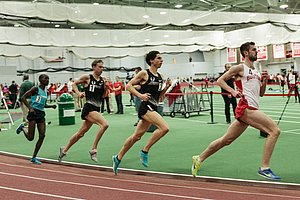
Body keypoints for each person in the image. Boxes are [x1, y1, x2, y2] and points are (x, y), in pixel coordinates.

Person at [191, 42, 281, 181]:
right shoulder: (240, 67)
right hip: (246, 107)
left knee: (226, 140)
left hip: (252, 107)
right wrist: (232, 91)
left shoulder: (256, 71)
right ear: (246, 53)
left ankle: (199, 158)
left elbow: (261, 93)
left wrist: (264, 81)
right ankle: (264, 168)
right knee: (274, 131)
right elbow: (220, 81)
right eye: (254, 50)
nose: (256, 52)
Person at [112, 50, 171, 175]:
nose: (161, 60)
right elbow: (128, 86)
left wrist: (166, 87)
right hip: (146, 107)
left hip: (153, 107)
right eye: (159, 58)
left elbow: (160, 98)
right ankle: (145, 151)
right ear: (151, 60)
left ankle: (118, 157)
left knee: (136, 136)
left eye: (161, 58)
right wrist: (140, 95)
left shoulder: (160, 77)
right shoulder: (145, 73)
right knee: (164, 128)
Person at [58, 59, 109, 163]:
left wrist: (106, 88)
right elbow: (74, 84)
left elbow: (103, 96)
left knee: (81, 133)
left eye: (102, 67)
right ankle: (93, 149)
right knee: (105, 125)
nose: (101, 69)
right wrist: (78, 93)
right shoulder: (87, 78)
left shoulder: (103, 80)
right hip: (89, 108)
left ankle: (64, 150)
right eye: (99, 67)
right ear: (94, 67)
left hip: (96, 108)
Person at [16, 74, 56, 165]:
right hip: (33, 113)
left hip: (41, 114)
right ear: (40, 80)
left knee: (42, 135)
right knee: (31, 138)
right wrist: (30, 108)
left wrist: (51, 106)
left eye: (48, 78)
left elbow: (43, 104)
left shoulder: (46, 91)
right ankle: (22, 128)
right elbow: (23, 97)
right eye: (45, 78)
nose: (47, 80)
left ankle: (34, 157)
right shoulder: (35, 89)